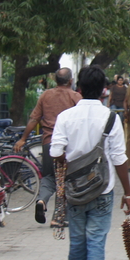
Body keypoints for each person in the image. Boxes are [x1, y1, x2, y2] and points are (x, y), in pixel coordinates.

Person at [49, 66, 130, 260]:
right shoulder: (111, 118)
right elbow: (119, 158)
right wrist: (128, 192)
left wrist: (64, 182)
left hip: (74, 191)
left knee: (77, 243)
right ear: (104, 91)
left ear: (79, 88)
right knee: (96, 243)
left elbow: (55, 153)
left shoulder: (65, 117)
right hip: (102, 191)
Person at [14, 67, 82, 226]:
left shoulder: (45, 95)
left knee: (49, 176)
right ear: (71, 81)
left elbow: (34, 118)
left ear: (55, 81)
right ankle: (58, 218)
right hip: (67, 145)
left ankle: (42, 201)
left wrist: (23, 139)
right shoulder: (75, 97)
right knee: (64, 179)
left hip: (48, 143)